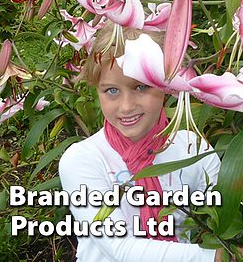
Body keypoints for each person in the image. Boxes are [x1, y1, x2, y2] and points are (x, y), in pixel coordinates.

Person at [59, 24, 222, 261]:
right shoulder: (82, 158)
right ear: (97, 91)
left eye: (141, 86)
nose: (126, 106)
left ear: (167, 85)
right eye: (111, 91)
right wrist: (213, 257)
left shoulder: (192, 148)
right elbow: (120, 248)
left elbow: (229, 208)